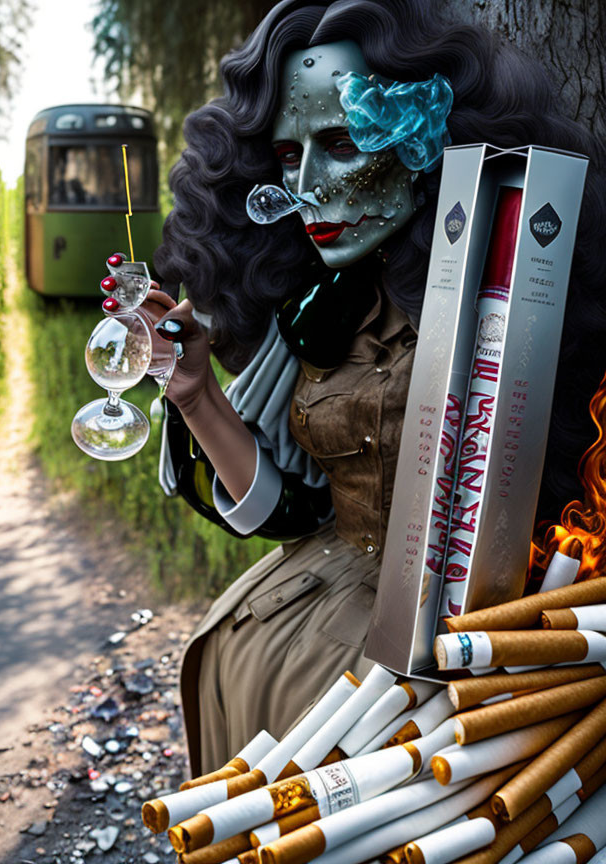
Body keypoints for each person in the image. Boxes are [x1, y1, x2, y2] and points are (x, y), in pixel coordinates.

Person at [128, 0, 606, 776]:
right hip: (294, 617)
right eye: (287, 156)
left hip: (409, 667)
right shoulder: (325, 307)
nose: (309, 186)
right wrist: (195, 396)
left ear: (421, 140)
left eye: (342, 143)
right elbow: (294, 510)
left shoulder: (502, 300)